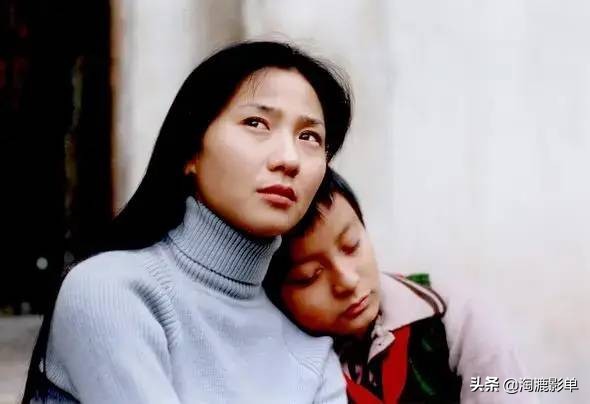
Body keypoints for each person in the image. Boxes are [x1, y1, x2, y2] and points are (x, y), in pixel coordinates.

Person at [23, 41, 352, 404]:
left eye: (309, 137)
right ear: (191, 151)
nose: (289, 159)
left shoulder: (312, 359)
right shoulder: (109, 291)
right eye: (256, 123)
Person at [265, 168, 537, 403]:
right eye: (309, 276)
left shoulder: (457, 316)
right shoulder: (278, 365)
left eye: (351, 245)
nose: (347, 281)